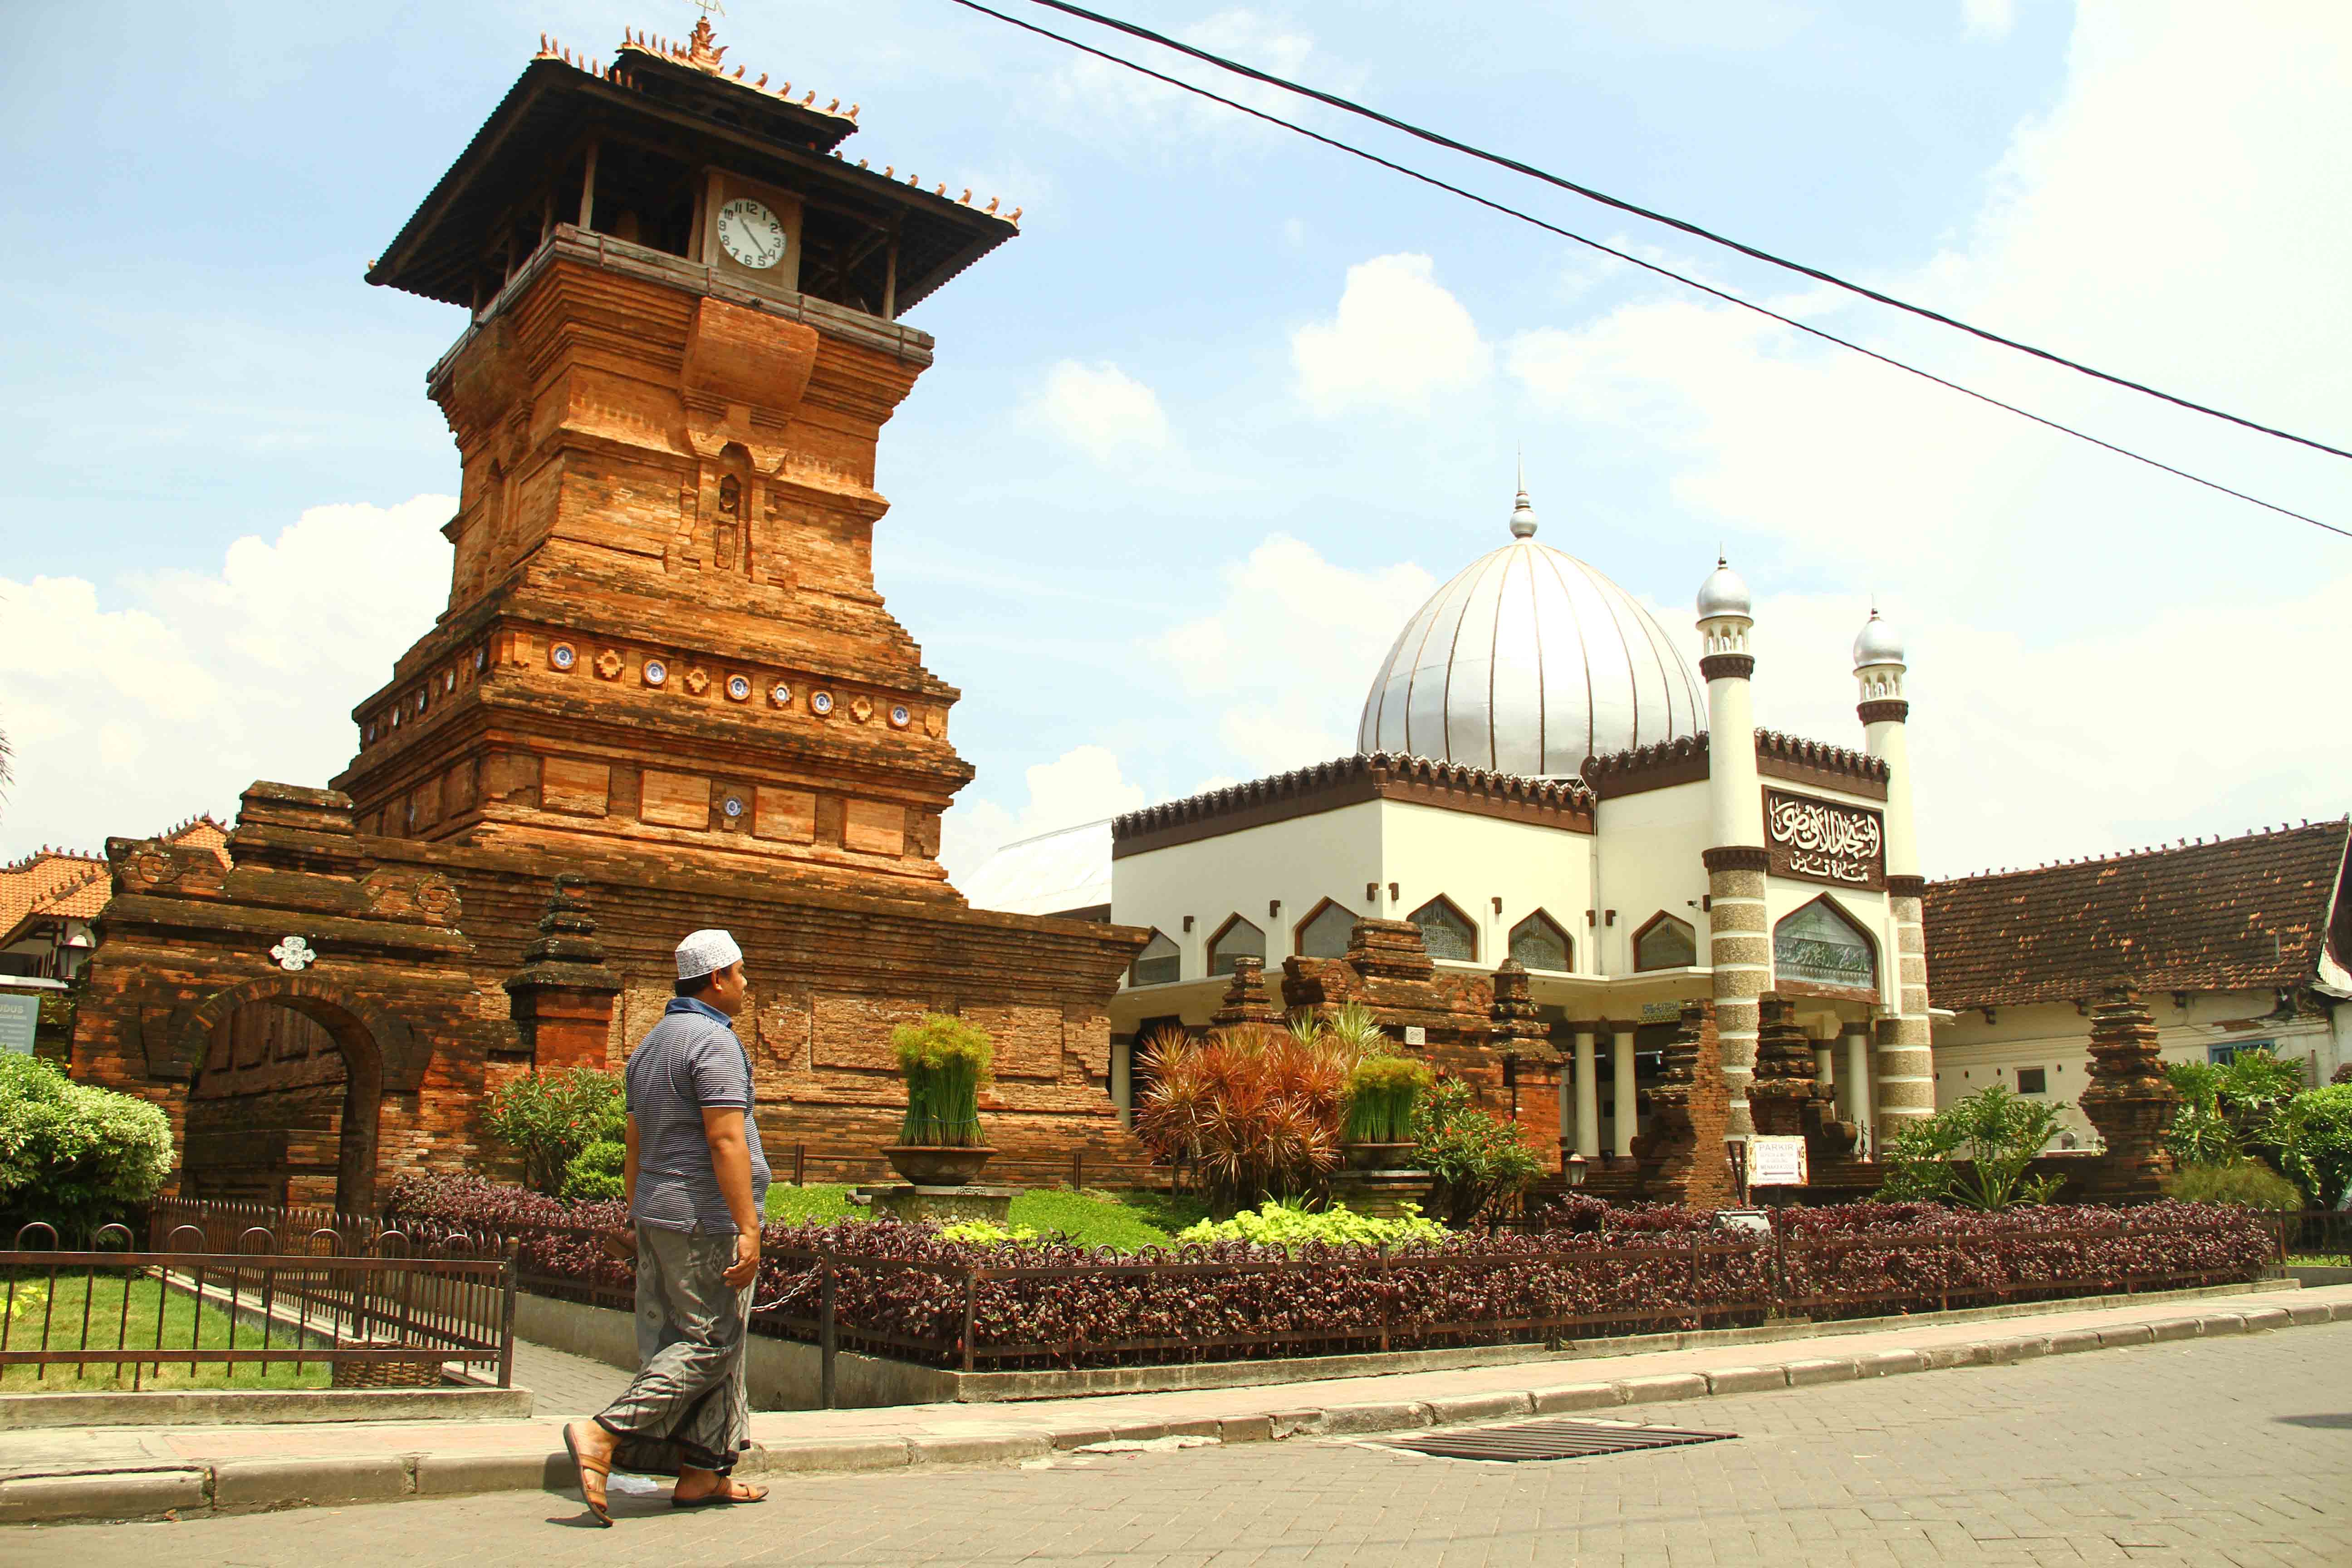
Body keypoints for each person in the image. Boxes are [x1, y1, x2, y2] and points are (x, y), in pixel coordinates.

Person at [564, 928, 772, 1524]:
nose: (745, 983)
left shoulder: (650, 1044)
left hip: (659, 1212)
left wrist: (635, 1214)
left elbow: (635, 1143)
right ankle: (605, 1433)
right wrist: (748, 1226)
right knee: (708, 1342)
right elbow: (725, 1138)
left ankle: (703, 1474)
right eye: (740, 973)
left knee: (702, 1338)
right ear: (716, 980)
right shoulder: (713, 1044)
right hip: (704, 1219)